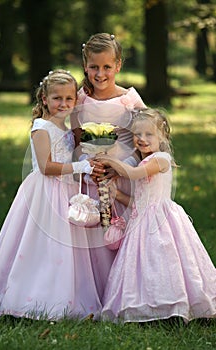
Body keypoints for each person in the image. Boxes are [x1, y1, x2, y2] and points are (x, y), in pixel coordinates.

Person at [0, 69, 107, 321]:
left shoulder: (67, 127)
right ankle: (33, 296)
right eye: (57, 98)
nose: (63, 104)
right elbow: (46, 167)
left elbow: (70, 155)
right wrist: (78, 167)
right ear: (44, 99)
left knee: (69, 246)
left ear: (75, 101)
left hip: (66, 189)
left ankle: (68, 296)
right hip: (45, 193)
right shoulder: (42, 127)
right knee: (45, 245)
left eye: (69, 99)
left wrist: (88, 162)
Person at [96, 108, 216, 323]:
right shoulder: (147, 160)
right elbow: (139, 202)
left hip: (161, 222)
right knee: (144, 266)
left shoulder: (161, 159)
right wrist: (117, 194)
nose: (142, 139)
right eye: (137, 134)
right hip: (141, 220)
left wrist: (108, 161)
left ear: (162, 137)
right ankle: (148, 306)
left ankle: (175, 304)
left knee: (165, 262)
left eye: (148, 134)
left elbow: (132, 173)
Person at [71, 32, 147, 228]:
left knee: (124, 228)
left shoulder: (129, 99)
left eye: (107, 67)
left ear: (118, 66)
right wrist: (87, 166)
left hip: (124, 177)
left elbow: (147, 141)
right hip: (93, 178)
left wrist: (120, 168)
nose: (100, 74)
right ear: (85, 66)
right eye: (94, 67)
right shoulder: (80, 100)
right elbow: (77, 143)